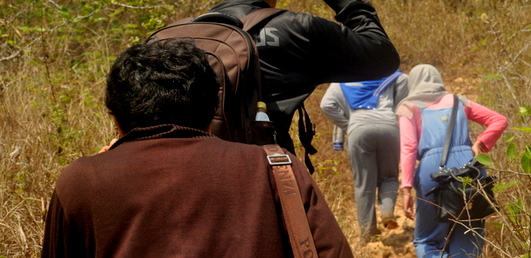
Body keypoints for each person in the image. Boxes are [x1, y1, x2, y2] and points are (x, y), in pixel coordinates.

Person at [41, 39, 354, 257]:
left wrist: (95, 175)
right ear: (210, 113)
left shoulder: (80, 181)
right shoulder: (277, 167)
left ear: (117, 120)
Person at [208, 0, 400, 155]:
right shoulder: (299, 31)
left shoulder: (171, 39)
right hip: (266, 177)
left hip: (195, 177)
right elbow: (383, 58)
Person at [397, 65, 508, 258]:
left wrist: (406, 187)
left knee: (427, 239)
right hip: (469, 166)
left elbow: (408, 147)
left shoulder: (408, 106)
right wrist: (481, 144)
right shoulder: (459, 101)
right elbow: (499, 120)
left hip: (432, 170)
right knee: (469, 232)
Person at [320, 70, 408, 243]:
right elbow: (405, 84)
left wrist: (348, 125)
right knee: (389, 176)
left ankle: (368, 233)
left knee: (363, 184)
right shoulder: (390, 75)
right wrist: (395, 112)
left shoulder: (342, 80)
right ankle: (388, 211)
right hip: (389, 128)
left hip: (359, 130)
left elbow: (326, 105)